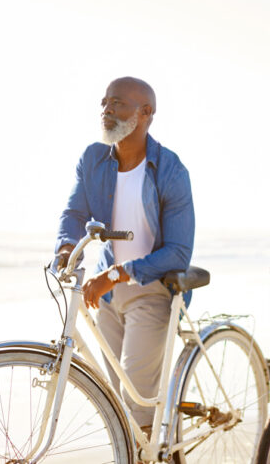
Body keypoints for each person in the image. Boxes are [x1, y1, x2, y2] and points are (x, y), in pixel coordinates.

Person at [54, 76, 195, 439]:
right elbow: (74, 213)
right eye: (104, 102)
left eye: (117, 102)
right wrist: (66, 248)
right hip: (107, 294)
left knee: (137, 406)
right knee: (118, 402)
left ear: (145, 112)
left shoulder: (171, 170)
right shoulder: (93, 159)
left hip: (152, 290)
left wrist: (117, 274)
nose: (106, 109)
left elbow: (178, 252)